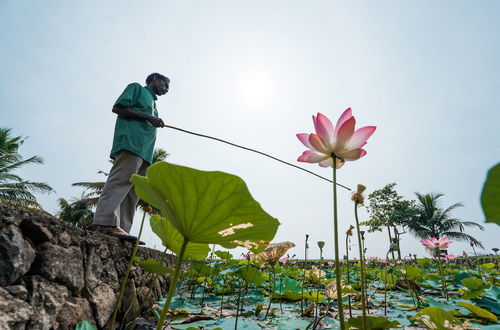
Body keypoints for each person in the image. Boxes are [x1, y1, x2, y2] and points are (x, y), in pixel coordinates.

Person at [92, 73, 170, 243]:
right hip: (130, 143)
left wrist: (152, 117)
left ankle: (123, 229)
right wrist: (148, 117)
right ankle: (106, 223)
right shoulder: (136, 88)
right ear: (154, 78)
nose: (166, 90)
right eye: (164, 85)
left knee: (133, 191)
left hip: (145, 152)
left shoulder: (153, 104)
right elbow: (118, 108)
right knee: (121, 180)